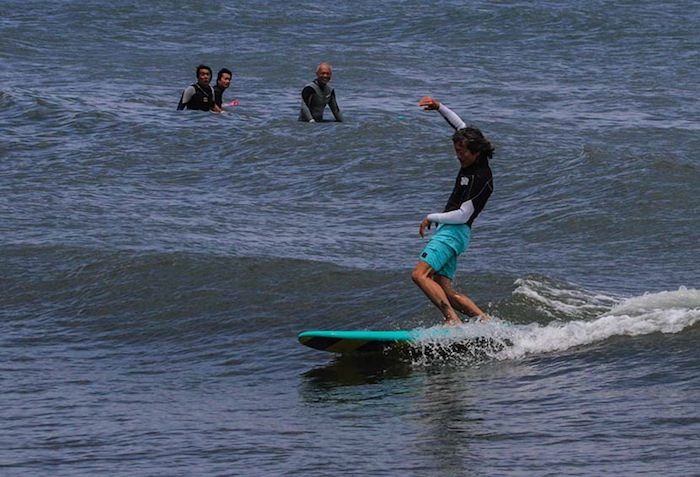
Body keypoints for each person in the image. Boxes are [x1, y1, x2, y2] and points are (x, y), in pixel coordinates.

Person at [411, 96, 495, 325]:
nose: (459, 155)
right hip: (454, 233)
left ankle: (452, 320)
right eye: (456, 150)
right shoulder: (471, 147)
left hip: (454, 231)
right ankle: (486, 324)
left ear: (476, 152)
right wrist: (439, 107)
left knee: (419, 275)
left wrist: (431, 217)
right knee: (446, 289)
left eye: (463, 152)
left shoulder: (482, 177)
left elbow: (464, 215)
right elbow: (460, 125)